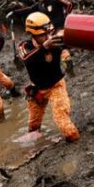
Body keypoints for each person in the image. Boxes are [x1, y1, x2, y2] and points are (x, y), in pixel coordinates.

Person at [16, 12, 80, 142]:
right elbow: (27, 60)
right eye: (43, 35)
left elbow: (75, 42)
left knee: (62, 119)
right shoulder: (24, 46)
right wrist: (44, 48)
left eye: (49, 33)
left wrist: (66, 53)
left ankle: (74, 140)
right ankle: (36, 142)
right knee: (33, 124)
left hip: (56, 85)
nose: (48, 37)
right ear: (33, 34)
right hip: (37, 89)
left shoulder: (56, 41)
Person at [8, 0, 74, 72]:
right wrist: (14, 13)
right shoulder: (39, 5)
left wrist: (67, 17)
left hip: (60, 28)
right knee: (42, 45)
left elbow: (70, 4)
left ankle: (68, 64)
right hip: (49, 30)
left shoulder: (55, 0)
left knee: (60, 46)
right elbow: (29, 9)